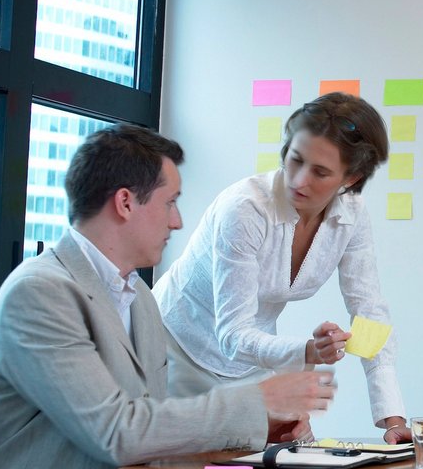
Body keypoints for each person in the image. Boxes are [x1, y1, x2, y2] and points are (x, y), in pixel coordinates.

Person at [0, 125, 334, 469]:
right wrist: (258, 400)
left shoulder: (138, 297)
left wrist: (259, 444)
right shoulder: (41, 294)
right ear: (125, 202)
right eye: (169, 203)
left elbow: (152, 429)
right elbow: (118, 432)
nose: (179, 220)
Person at [155, 93, 409, 442]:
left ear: (350, 179)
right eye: (295, 160)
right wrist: (308, 350)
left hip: (252, 361)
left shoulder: (352, 214)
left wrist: (392, 418)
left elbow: (369, 312)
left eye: (320, 172)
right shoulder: (244, 209)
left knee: (297, 460)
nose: (299, 180)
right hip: (178, 351)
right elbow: (232, 335)